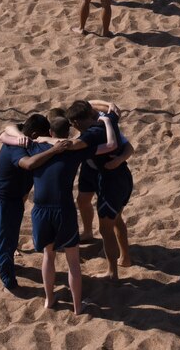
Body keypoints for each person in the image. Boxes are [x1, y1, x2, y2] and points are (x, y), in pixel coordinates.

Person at [0, 111, 119, 314]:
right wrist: (108, 122)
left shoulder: (34, 146)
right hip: (64, 209)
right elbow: (111, 146)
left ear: (51, 131)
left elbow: (4, 134)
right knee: (73, 261)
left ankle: (49, 299)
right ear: (68, 131)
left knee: (48, 256)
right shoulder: (74, 150)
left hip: (40, 210)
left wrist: (42, 138)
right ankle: (77, 306)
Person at [0, 114, 70, 291]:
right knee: (4, 240)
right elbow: (28, 164)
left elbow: (10, 125)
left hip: (15, 198)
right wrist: (53, 150)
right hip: (4, 201)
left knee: (10, 237)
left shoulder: (22, 134)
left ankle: (10, 265)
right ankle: (9, 281)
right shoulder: (16, 148)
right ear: (33, 135)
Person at [75, 100, 134, 277]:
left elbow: (126, 147)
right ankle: (87, 232)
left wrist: (118, 160)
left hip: (109, 177)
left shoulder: (103, 131)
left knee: (112, 223)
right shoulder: (104, 120)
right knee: (82, 200)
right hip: (92, 170)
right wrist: (108, 105)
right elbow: (91, 103)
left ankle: (117, 266)